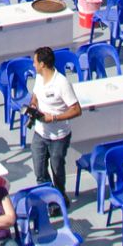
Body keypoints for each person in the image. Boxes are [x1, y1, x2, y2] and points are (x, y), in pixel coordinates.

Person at [25, 44, 82, 197]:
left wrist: (54, 118)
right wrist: (33, 105)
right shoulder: (39, 77)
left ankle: (60, 197)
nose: (33, 64)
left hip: (59, 136)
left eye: (35, 62)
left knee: (57, 171)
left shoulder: (62, 83)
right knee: (39, 170)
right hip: (40, 133)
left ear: (42, 64)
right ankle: (50, 198)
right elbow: (35, 95)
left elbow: (76, 109)